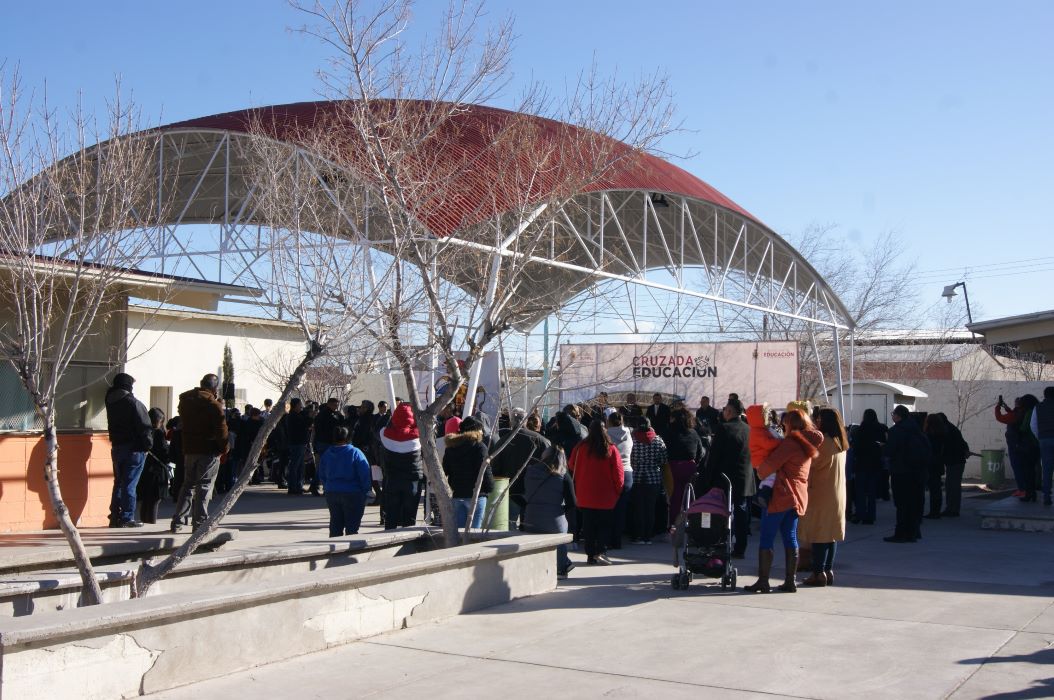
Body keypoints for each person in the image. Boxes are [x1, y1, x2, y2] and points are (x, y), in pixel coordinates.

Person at [745, 409, 823, 593]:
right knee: (790, 537)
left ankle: (763, 581)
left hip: (781, 495)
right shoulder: (808, 441)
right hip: (797, 496)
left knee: (767, 538)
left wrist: (760, 471)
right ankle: (790, 581)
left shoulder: (790, 443)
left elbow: (767, 467)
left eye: (786, 422)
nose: (783, 425)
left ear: (792, 424)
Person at [171, 374, 229, 534]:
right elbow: (222, 430)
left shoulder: (185, 401)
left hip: (190, 448)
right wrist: (224, 448)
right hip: (208, 449)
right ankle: (200, 522)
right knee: (204, 486)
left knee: (188, 484)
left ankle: (177, 520)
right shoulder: (213, 405)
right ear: (214, 388)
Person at [798, 408, 848, 587]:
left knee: (818, 533)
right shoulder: (840, 442)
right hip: (837, 493)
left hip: (821, 493)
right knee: (831, 534)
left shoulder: (824, 443)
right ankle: (827, 569)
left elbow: (810, 463)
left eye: (818, 419)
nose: (816, 422)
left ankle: (818, 573)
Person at [569, 419, 624, 565]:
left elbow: (571, 464)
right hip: (606, 495)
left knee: (588, 526)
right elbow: (618, 473)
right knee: (604, 526)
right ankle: (601, 551)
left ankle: (590, 555)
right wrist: (618, 490)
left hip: (585, 493)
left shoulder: (580, 447)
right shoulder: (611, 449)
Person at [105, 372, 153, 528]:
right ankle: (127, 517)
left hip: (117, 447)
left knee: (118, 482)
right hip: (134, 449)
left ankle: (115, 516)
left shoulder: (109, 400)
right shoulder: (134, 403)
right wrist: (147, 446)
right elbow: (145, 427)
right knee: (130, 484)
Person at [522, 446, 578, 578]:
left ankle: (562, 564)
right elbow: (572, 503)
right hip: (554, 520)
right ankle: (562, 567)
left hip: (531, 519)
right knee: (560, 532)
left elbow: (518, 493)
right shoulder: (563, 475)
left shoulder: (530, 471)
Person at [492, 410, 551, 530]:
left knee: (509, 528)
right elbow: (550, 465)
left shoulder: (502, 441)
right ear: (526, 420)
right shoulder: (540, 440)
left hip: (510, 490)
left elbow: (494, 468)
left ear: (510, 422)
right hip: (533, 490)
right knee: (530, 529)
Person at [883, 405, 930, 543]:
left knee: (902, 504)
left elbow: (889, 451)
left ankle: (901, 533)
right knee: (913, 503)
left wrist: (884, 448)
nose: (892, 416)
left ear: (898, 416)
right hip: (917, 473)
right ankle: (913, 532)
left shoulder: (896, 431)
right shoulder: (917, 430)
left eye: (893, 414)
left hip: (901, 471)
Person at [714, 399, 754, 557]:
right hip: (745, 477)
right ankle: (740, 547)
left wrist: (709, 476)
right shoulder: (748, 429)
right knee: (741, 513)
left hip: (726, 478)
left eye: (725, 410)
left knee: (723, 512)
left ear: (729, 412)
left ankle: (723, 544)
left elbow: (715, 455)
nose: (723, 412)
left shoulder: (724, 428)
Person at [318, 426, 372, 536]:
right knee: (352, 527)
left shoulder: (327, 453)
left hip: (332, 491)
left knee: (335, 524)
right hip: (353, 492)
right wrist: (366, 489)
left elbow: (321, 473)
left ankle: (333, 550)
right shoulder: (355, 452)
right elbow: (364, 473)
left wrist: (327, 485)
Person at [380, 403, 424, 529]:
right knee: (410, 517)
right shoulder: (418, 436)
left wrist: (391, 419)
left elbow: (381, 427)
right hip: (412, 480)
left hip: (393, 479)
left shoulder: (385, 435)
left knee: (391, 515)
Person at [443, 416, 492, 528]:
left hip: (457, 493)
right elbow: (485, 470)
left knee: (459, 531)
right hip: (476, 494)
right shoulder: (479, 447)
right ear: (475, 430)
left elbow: (445, 469)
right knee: (474, 533)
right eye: (481, 429)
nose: (482, 432)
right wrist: (489, 488)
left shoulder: (451, 447)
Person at [664, 407, 705, 526]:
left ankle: (674, 525)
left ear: (675, 418)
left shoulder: (669, 431)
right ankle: (691, 524)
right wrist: (695, 463)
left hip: (673, 467)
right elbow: (700, 451)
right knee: (690, 497)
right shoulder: (693, 432)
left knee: (675, 498)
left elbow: (663, 448)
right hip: (690, 467)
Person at [629, 417, 667, 544]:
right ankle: (648, 537)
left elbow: (630, 458)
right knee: (650, 508)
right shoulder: (658, 440)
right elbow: (663, 460)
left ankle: (638, 536)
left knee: (638, 508)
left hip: (637, 477)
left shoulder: (633, 440)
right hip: (654, 478)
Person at [849, 409, 887, 525]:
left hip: (861, 463)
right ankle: (870, 516)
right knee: (871, 491)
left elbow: (856, 447)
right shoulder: (881, 429)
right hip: (875, 463)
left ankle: (860, 514)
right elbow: (884, 444)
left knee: (860, 491)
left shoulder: (860, 430)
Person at [137, 408, 171, 525]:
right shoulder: (159, 433)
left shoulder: (143, 431)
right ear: (160, 421)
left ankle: (143, 521)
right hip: (157, 469)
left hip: (144, 468)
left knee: (145, 499)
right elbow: (164, 454)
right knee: (154, 499)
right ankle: (151, 522)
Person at [606, 412, 634, 548]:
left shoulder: (606, 435)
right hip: (627, 472)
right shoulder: (629, 433)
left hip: (612, 472)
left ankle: (609, 539)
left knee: (609, 508)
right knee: (621, 509)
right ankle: (617, 540)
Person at [311, 397, 346, 495]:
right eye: (335, 405)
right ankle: (321, 486)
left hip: (323, 442)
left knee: (323, 466)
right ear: (329, 404)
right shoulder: (328, 415)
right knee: (326, 466)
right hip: (326, 443)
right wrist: (341, 417)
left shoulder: (322, 414)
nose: (336, 407)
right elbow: (337, 426)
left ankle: (316, 485)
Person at [939, 413, 970, 517]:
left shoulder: (948, 430)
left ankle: (953, 509)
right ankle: (951, 508)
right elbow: (963, 444)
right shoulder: (951, 429)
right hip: (955, 462)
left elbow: (948, 448)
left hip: (955, 462)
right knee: (951, 485)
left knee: (953, 486)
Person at [1029, 387, 1054, 506]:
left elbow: (1033, 425)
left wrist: (1041, 437)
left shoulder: (1037, 407)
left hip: (1044, 439)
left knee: (1047, 469)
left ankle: (1046, 496)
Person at [922, 413, 947, 519]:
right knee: (936, 488)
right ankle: (935, 510)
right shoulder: (941, 434)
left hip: (931, 463)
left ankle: (934, 511)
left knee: (934, 488)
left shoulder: (929, 435)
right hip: (938, 463)